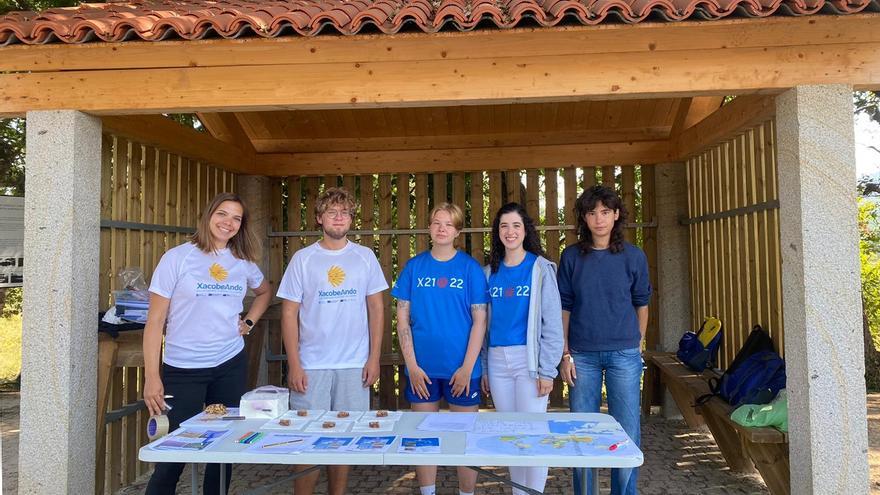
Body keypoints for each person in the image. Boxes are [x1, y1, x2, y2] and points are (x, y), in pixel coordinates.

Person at [143, 192, 272, 494]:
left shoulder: (242, 262)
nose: (228, 222)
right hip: (183, 368)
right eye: (222, 214)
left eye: (236, 218)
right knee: (173, 453)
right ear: (208, 216)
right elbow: (154, 322)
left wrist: (248, 322)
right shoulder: (177, 258)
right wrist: (152, 377)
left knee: (223, 451)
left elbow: (265, 292)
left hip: (229, 364)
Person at [277, 186, 387, 495]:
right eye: (331, 212)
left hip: (354, 365)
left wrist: (374, 357)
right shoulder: (303, 259)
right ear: (319, 218)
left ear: (351, 218)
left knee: (345, 439)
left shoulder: (364, 257)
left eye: (344, 213)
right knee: (307, 439)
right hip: (311, 366)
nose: (338, 218)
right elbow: (289, 314)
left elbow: (377, 308)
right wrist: (295, 365)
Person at [558, 185, 652, 495]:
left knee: (625, 432)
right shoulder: (571, 257)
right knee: (583, 433)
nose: (599, 219)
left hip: (624, 354)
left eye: (605, 212)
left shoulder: (634, 256)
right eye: (592, 212)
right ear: (583, 218)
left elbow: (642, 303)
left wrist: (636, 343)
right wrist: (565, 354)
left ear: (616, 216)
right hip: (581, 354)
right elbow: (565, 306)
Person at [392, 202, 488, 495]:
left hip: (462, 370)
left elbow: (480, 321)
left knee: (464, 438)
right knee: (423, 437)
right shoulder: (414, 267)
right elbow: (402, 320)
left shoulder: (470, 268)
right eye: (436, 222)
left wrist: (467, 368)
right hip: (422, 370)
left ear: (457, 230)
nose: (442, 228)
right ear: (429, 228)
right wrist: (411, 366)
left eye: (448, 223)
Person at [480, 202, 564, 495]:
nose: (510, 232)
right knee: (511, 434)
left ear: (525, 230)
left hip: (529, 362)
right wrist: (485, 368)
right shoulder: (489, 272)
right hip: (497, 363)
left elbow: (552, 323)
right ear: (498, 232)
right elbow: (484, 327)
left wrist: (547, 370)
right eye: (504, 226)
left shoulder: (540, 268)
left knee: (534, 434)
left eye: (516, 225)